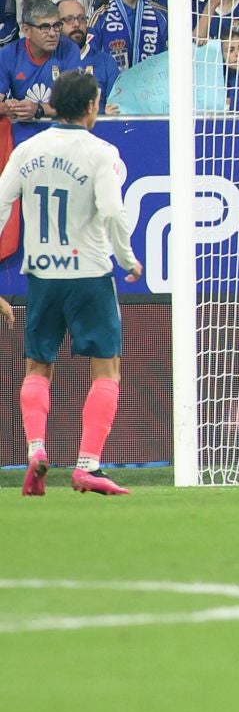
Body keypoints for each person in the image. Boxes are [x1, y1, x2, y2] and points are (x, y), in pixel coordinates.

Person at [0, 71, 141, 496]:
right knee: (106, 368)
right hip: (89, 274)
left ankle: (36, 450)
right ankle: (87, 465)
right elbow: (112, 211)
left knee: (37, 365)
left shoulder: (27, 150)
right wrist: (127, 259)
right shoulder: (101, 153)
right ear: (92, 106)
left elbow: (2, 203)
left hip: (43, 275)